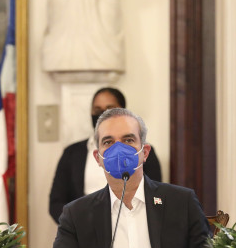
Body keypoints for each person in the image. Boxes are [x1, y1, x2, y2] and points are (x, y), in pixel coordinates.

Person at [36, 108, 222, 248]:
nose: (118, 149)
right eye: (108, 142)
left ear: (145, 152)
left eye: (128, 140)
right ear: (98, 157)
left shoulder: (182, 203)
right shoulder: (77, 213)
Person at [49, 87, 162, 223]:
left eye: (109, 109)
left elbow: (154, 197)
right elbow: (56, 203)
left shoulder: (141, 151)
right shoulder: (72, 153)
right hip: (84, 226)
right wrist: (78, 224)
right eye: (97, 110)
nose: (102, 115)